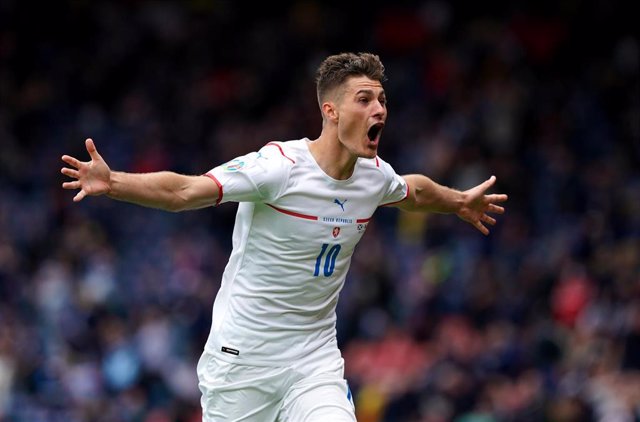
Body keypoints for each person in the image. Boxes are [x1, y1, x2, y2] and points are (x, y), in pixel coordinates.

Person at [61, 52, 507, 421]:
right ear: (330, 111)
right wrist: (114, 181)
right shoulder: (278, 168)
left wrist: (459, 202)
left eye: (382, 100)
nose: (379, 110)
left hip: (313, 362)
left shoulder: (374, 176)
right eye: (364, 99)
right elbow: (184, 191)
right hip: (241, 364)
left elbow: (413, 191)